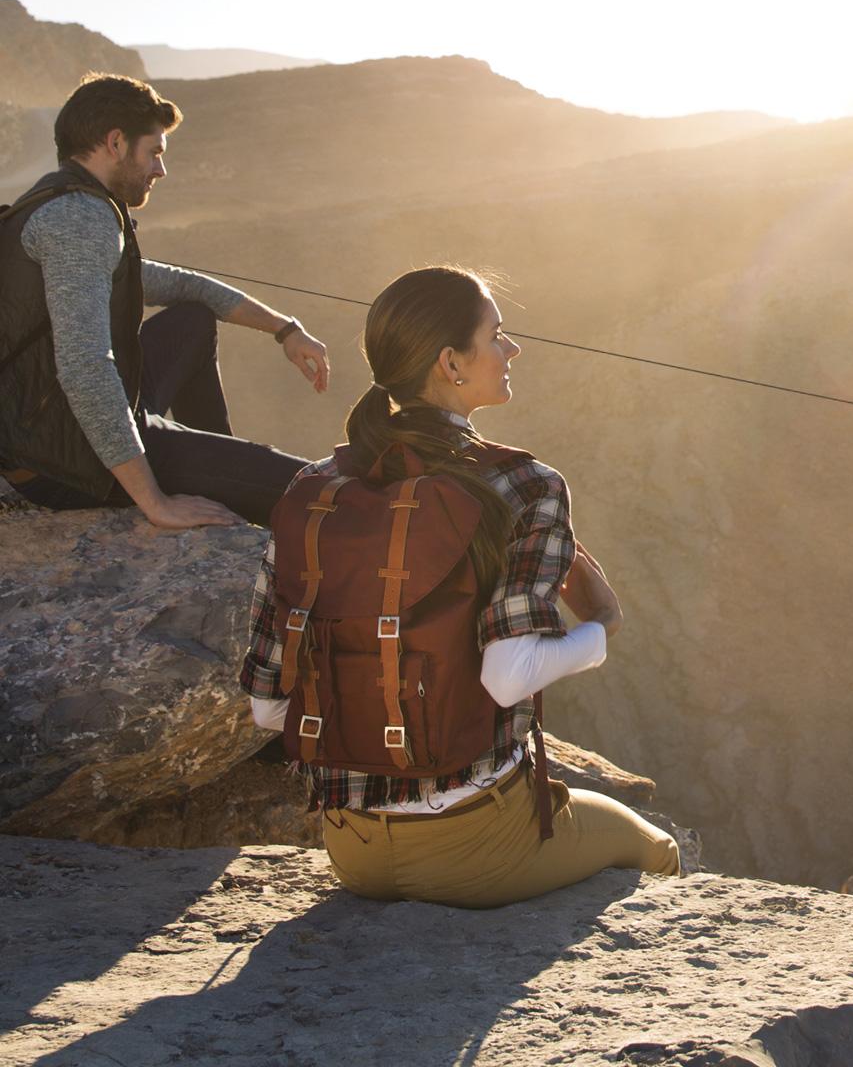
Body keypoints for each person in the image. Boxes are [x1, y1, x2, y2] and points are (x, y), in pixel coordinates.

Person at [239, 264, 681, 907]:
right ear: (451, 363)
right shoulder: (524, 485)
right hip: (479, 848)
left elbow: (268, 709)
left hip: (352, 851)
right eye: (497, 335)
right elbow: (509, 675)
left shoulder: (315, 488)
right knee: (655, 849)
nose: (511, 349)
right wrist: (596, 632)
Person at [0, 73, 326, 527]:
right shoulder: (81, 220)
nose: (161, 169)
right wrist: (156, 502)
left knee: (192, 319)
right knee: (314, 491)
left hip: (49, 421)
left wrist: (283, 329)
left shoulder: (56, 200)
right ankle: (208, 475)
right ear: (115, 143)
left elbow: (177, 286)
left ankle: (215, 463)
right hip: (67, 458)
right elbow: (85, 369)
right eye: (154, 152)